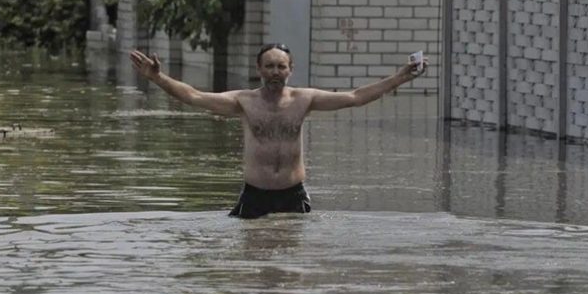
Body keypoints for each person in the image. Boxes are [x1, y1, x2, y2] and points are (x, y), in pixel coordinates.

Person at [130, 43, 428, 219]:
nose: (275, 72)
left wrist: (400, 77)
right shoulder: (243, 101)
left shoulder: (304, 99)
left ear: (290, 70)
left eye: (281, 66)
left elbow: (355, 97)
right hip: (254, 196)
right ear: (259, 69)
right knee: (251, 263)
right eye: (270, 66)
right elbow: (194, 96)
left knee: (291, 265)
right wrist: (158, 78)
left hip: (292, 196)